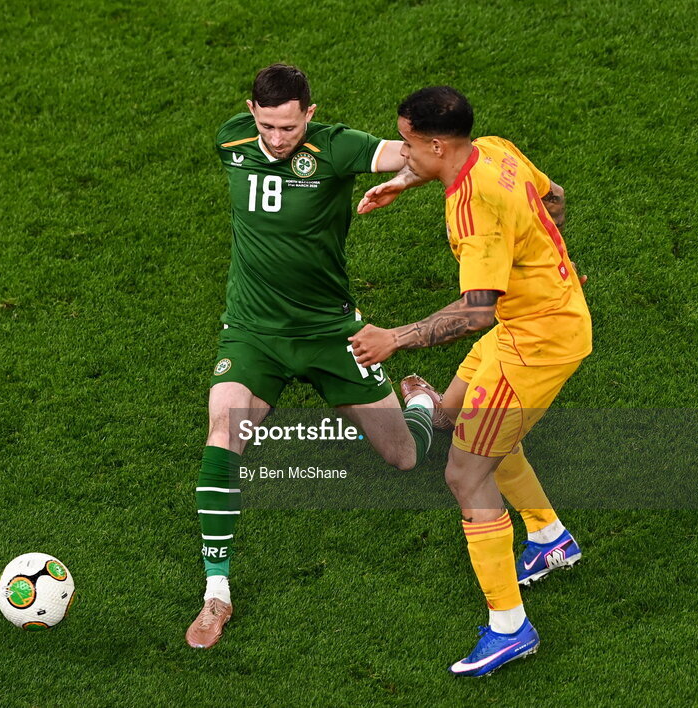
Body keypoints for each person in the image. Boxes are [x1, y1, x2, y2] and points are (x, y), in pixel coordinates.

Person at [186, 65, 439, 649]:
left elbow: (422, 155)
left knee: (403, 458)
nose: (278, 139)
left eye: (291, 127)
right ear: (251, 111)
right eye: (269, 125)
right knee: (223, 428)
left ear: (310, 113)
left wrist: (402, 182)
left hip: (329, 332)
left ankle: (422, 405)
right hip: (253, 332)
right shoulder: (230, 140)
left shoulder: (338, 146)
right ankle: (216, 594)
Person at [349, 86, 592, 677]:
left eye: (408, 146)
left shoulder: (472, 208)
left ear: (435, 142)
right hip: (546, 317)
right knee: (454, 415)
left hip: (531, 345)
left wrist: (394, 338)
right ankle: (550, 537)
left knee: (465, 472)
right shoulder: (493, 149)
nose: (402, 153)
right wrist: (406, 183)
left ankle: (510, 626)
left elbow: (477, 311)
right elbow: (553, 199)